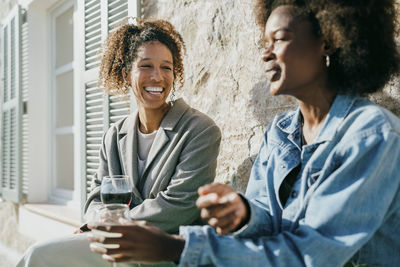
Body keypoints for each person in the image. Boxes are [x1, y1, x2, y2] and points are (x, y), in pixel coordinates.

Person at [87, 0, 400, 266]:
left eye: (280, 38)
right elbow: (268, 220)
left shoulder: (371, 136)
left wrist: (176, 247)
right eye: (265, 43)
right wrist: (244, 212)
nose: (266, 54)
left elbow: (311, 254)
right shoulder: (281, 132)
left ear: (328, 40)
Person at [17, 19, 221, 267]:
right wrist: (95, 225)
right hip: (113, 248)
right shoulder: (114, 135)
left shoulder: (200, 130)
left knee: (41, 255)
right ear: (126, 73)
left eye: (166, 67)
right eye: (146, 66)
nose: (158, 76)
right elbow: (94, 200)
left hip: (164, 255)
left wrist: (104, 227)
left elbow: (179, 206)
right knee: (39, 256)